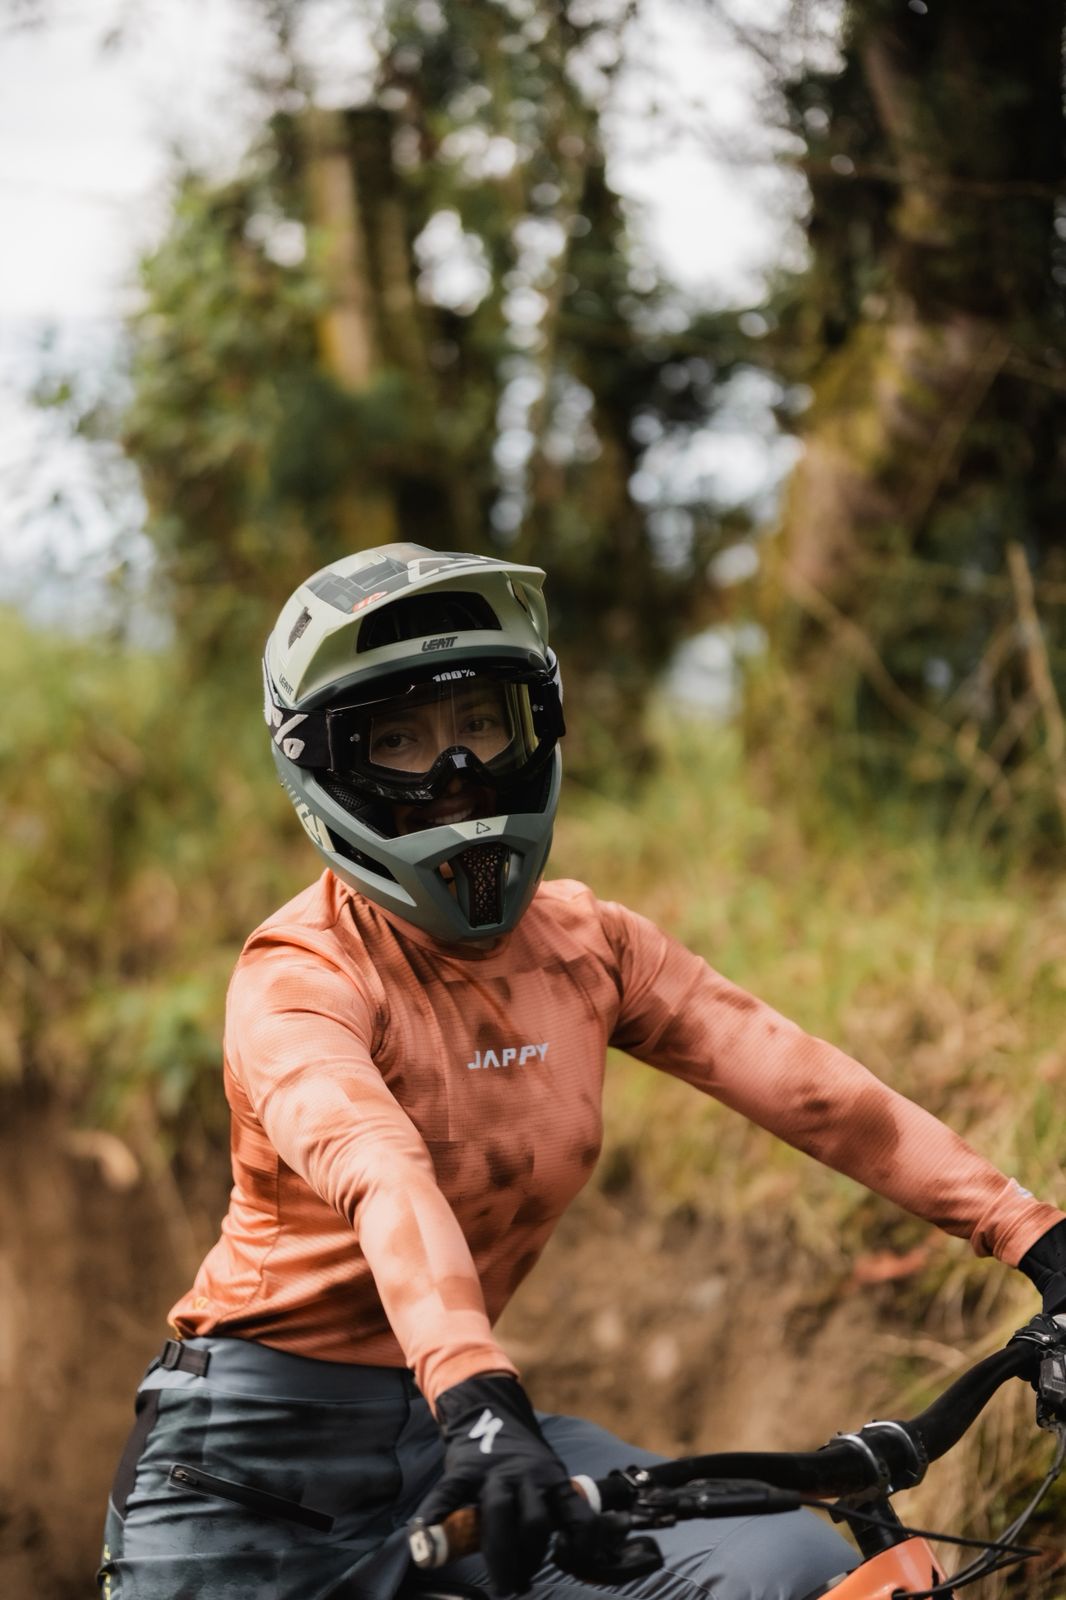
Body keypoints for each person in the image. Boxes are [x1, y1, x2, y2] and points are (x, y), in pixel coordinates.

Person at [98, 542, 1066, 1600]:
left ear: (535, 724)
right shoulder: (301, 978)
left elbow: (815, 1093)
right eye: (401, 742)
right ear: (329, 767)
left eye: (479, 724)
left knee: (794, 1568)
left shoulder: (590, 946)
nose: (455, 770)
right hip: (246, 1467)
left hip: (465, 1438)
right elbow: (384, 1172)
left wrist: (1035, 1233)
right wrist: (475, 1390)